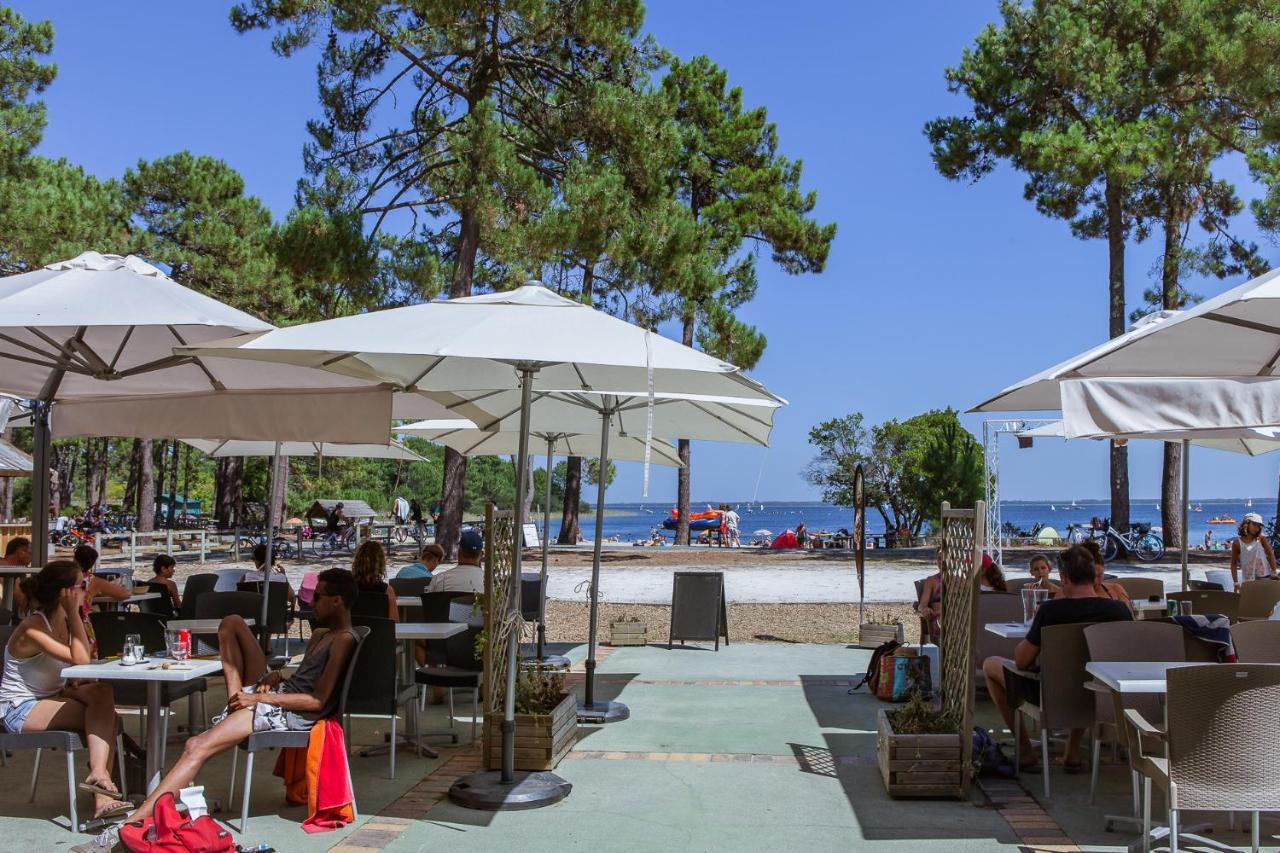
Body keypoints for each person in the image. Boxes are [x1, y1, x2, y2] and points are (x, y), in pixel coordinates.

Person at [128, 568, 359, 822]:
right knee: (232, 622)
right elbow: (304, 680)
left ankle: (137, 821)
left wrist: (259, 699)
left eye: (317, 597)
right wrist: (278, 676)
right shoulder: (320, 634)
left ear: (337, 601)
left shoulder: (343, 640)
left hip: (288, 712)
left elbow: (318, 701)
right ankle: (235, 705)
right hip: (278, 696)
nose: (310, 603)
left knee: (195, 745)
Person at [982, 545, 1132, 772]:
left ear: (1063, 577)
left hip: (1051, 696)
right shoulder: (1119, 611)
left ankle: (1024, 751)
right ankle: (1071, 752)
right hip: (1101, 696)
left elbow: (1022, 661)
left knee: (991, 664)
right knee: (1084, 668)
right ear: (1094, 575)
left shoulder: (1052, 611)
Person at [0, 560, 130, 820]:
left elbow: (81, 665)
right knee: (105, 719)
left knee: (102, 693)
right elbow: (81, 659)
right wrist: (74, 612)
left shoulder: (64, 623)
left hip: (52, 696)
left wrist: (73, 616)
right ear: (66, 592)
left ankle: (99, 779)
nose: (88, 588)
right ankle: (102, 791)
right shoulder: (33, 627)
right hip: (19, 708)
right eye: (83, 584)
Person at [71, 545, 128, 657]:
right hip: (81, 620)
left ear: (75, 559)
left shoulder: (64, 576)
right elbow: (123, 594)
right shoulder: (93, 581)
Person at [428, 529, 485, 594]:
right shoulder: (491, 583)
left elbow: (430, 602)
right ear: (481, 554)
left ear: (459, 552)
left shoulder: (440, 580)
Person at [352, 539, 396, 620]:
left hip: (353, 632)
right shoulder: (387, 591)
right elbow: (394, 623)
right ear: (381, 563)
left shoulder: (347, 588)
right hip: (380, 632)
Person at [1231, 511, 1276, 589]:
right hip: (1248, 581)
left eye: (1259, 526)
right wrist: (1236, 583)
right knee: (1250, 600)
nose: (1256, 528)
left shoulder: (1260, 539)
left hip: (1265, 577)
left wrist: (1274, 572)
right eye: (1254, 524)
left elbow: (1270, 554)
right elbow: (1233, 564)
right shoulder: (1237, 544)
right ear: (1246, 524)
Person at [916, 552, 945, 644]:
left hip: (958, 617)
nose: (941, 561)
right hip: (940, 619)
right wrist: (925, 609)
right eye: (939, 558)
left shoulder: (958, 580)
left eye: (944, 558)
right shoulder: (932, 580)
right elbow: (922, 604)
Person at [3, 537, 32, 613]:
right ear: (21, 552)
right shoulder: (13, 570)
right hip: (11, 621)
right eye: (30, 553)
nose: (32, 557)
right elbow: (19, 596)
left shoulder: (18, 570)